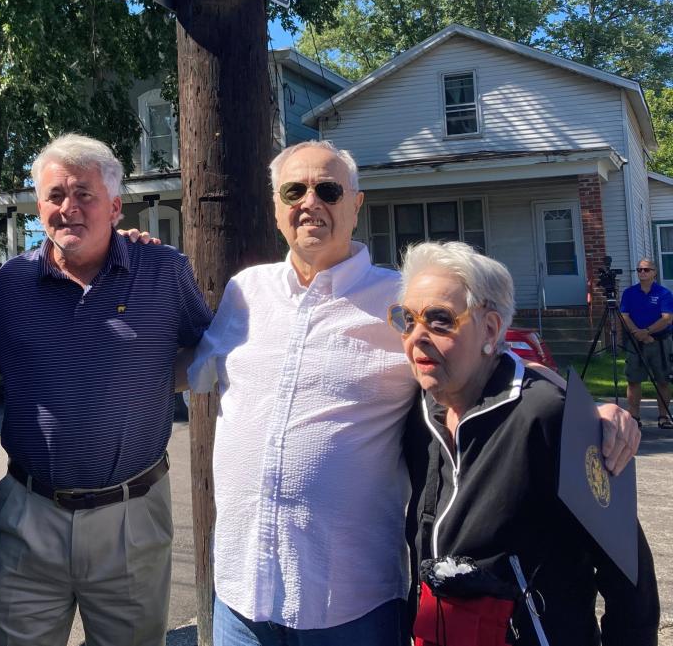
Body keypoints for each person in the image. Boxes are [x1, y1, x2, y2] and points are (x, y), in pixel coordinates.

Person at [187, 140, 641, 646]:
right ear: (275, 205)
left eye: (328, 189)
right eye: (294, 189)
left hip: (349, 600)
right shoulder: (243, 293)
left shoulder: (401, 299)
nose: (309, 202)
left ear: (355, 205)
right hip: (240, 595)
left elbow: (486, 357)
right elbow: (185, 365)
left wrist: (589, 413)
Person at [0, 133, 212, 646]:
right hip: (29, 515)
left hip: (132, 514)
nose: (68, 208)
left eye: (84, 194)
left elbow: (208, 348)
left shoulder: (163, 271)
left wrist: (154, 375)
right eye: (54, 196)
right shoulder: (9, 284)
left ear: (114, 206)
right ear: (37, 206)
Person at [395, 241, 659, 645]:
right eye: (407, 319)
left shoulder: (548, 416)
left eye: (439, 320)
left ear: (490, 329)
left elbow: (629, 577)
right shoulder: (417, 411)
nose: (418, 336)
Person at [620, 258, 673, 428]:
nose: (642, 272)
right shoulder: (629, 293)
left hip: (660, 341)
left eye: (646, 269)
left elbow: (667, 319)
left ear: (654, 273)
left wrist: (648, 332)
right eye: (639, 270)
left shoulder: (664, 293)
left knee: (663, 380)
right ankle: (634, 417)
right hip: (636, 342)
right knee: (633, 379)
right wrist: (638, 333)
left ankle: (663, 417)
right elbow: (624, 315)